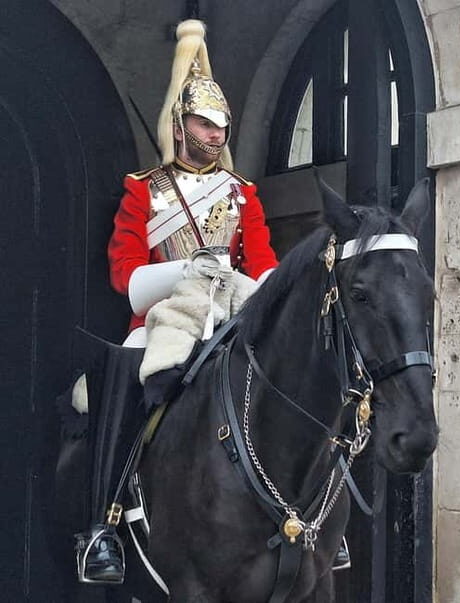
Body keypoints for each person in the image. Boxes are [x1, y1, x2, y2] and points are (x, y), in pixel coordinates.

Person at [75, 19, 279, 584]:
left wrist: (255, 290)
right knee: (122, 380)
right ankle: (104, 528)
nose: (213, 136)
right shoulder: (145, 189)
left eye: (221, 127)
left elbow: (263, 265)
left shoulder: (244, 195)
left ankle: (309, 517)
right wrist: (185, 269)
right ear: (179, 123)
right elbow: (124, 274)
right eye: (202, 123)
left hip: (229, 313)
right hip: (161, 314)